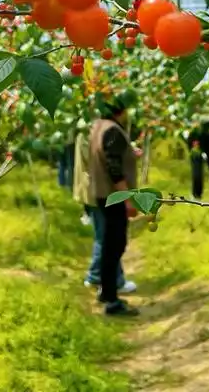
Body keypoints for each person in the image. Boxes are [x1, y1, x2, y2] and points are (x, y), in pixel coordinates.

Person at [88, 92, 139, 316]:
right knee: (114, 245)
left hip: (102, 194)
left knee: (110, 244)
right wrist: (127, 199)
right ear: (120, 110)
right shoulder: (112, 130)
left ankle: (106, 291)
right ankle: (111, 301)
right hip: (112, 196)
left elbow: (110, 156)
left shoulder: (98, 126)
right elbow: (114, 167)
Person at [74, 124, 134, 295]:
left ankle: (106, 278)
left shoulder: (89, 129)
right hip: (97, 190)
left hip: (93, 189)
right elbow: (102, 161)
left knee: (106, 236)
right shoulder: (92, 131)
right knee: (107, 237)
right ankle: (102, 278)